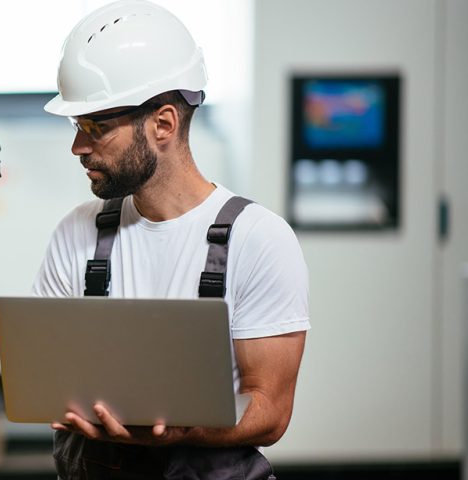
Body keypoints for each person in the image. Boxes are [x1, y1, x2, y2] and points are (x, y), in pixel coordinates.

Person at [32, 1, 310, 478]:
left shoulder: (258, 240)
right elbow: (46, 380)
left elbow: (271, 410)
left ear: (163, 124)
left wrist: (180, 431)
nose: (78, 146)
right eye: (77, 127)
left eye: (95, 127)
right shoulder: (77, 233)